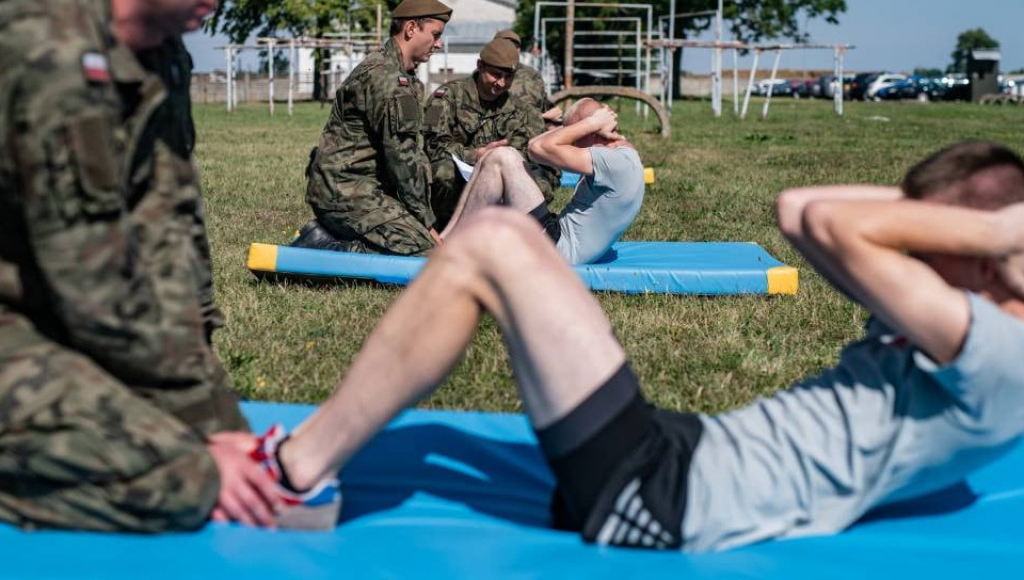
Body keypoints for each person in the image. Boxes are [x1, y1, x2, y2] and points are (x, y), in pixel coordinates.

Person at [257, 140, 1024, 550]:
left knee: (495, 241)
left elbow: (831, 224)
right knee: (496, 238)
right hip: (682, 459)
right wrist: (973, 229)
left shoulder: (1003, 354)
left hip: (668, 502)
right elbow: (800, 208)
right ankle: (303, 465)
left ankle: (294, 473)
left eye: (936, 235)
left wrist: (997, 229)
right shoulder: (959, 313)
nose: (911, 249)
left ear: (987, 254)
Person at [0, 0, 294, 533]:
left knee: (198, 444)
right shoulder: (52, 55)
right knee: (185, 481)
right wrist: (200, 430)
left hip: (38, 319)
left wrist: (216, 416)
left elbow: (165, 241)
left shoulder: (144, 56)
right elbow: (97, 290)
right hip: (42, 319)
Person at [298, 0, 451, 255]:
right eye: (435, 35)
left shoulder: (400, 75)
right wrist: (426, 223)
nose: (438, 44)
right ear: (411, 29)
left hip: (367, 189)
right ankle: (326, 244)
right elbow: (402, 158)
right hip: (347, 194)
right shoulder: (387, 78)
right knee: (428, 254)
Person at [441, 97, 645, 265]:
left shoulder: (615, 162)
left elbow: (536, 148)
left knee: (503, 157)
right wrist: (580, 126)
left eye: (575, 135)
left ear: (592, 131)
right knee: (491, 158)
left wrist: (590, 123)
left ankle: (455, 248)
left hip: (557, 252)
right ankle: (446, 239)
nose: (571, 142)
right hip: (556, 238)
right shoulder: (621, 154)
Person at [423, 37, 557, 230]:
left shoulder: (521, 110)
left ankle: (509, 231)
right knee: (444, 173)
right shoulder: (449, 97)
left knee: (539, 182)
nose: (502, 83)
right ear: (480, 66)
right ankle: (445, 227)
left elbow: (534, 154)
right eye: (495, 74)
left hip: (502, 176)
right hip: (459, 176)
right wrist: (475, 155)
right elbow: (433, 145)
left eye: (509, 77)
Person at [496, 28, 563, 126]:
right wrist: (542, 116)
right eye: (507, 46)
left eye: (516, 46)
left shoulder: (532, 74)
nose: (512, 50)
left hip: (534, 133)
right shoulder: (485, 74)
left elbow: (544, 104)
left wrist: (554, 112)